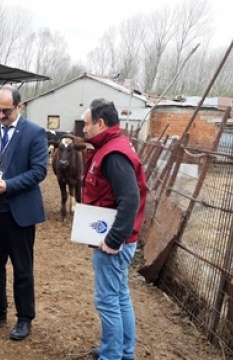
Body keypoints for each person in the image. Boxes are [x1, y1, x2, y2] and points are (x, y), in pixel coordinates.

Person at [0, 85, 48, 341]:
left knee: (22, 268)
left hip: (20, 213)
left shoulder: (35, 133)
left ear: (19, 106)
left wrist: (10, 185)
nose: (1, 115)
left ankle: (25, 317)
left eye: (6, 110)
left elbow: (39, 171)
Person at [81, 99, 147, 360]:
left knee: (108, 301)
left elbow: (130, 199)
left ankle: (112, 356)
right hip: (115, 238)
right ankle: (121, 351)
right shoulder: (110, 146)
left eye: (87, 124)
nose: (84, 129)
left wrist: (113, 239)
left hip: (113, 243)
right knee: (119, 296)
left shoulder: (114, 154)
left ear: (100, 123)